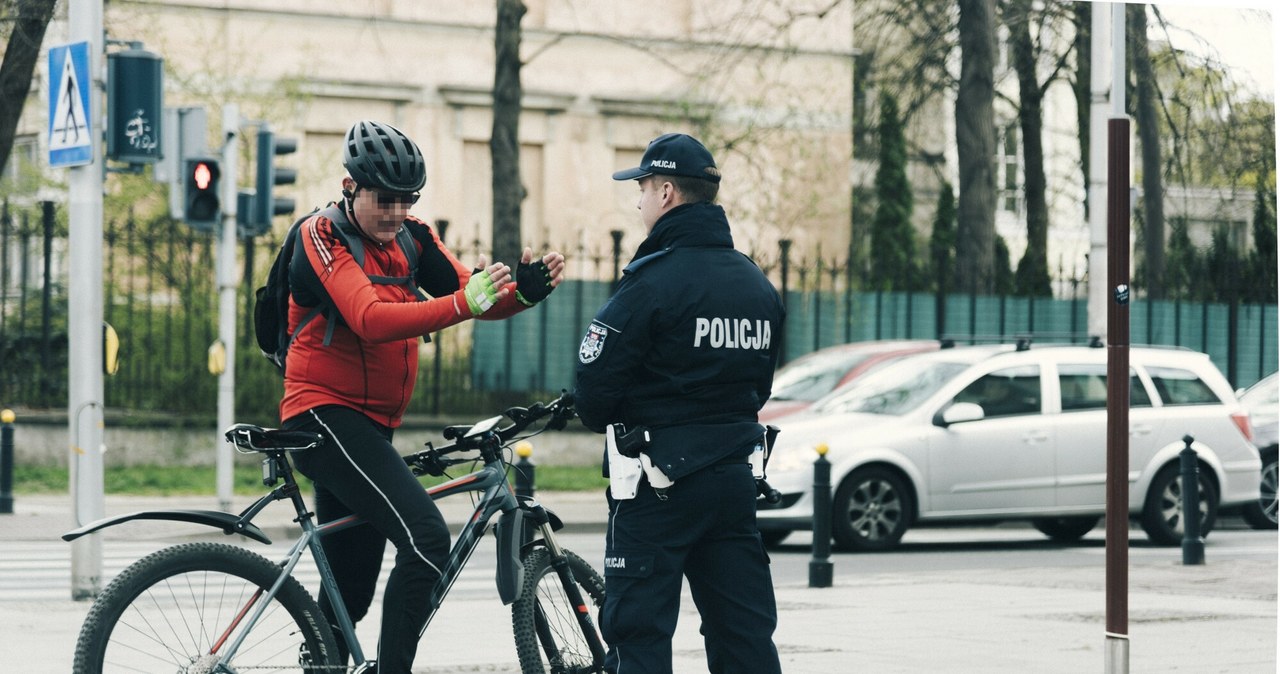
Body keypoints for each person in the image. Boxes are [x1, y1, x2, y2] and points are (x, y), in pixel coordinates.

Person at [280, 119, 564, 674]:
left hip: (368, 428)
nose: (394, 213)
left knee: (351, 592)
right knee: (427, 540)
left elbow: (470, 294)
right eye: (384, 200)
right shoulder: (323, 235)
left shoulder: (414, 236)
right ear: (350, 186)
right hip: (322, 418)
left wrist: (523, 292)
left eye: (406, 201)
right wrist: (465, 303)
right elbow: (369, 318)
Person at [574, 133, 785, 674]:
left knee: (638, 635)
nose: (639, 200)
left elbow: (594, 397)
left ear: (666, 192)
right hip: (734, 480)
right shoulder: (757, 285)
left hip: (656, 485)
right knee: (744, 636)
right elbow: (757, 389)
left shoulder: (651, 283)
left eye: (642, 188)